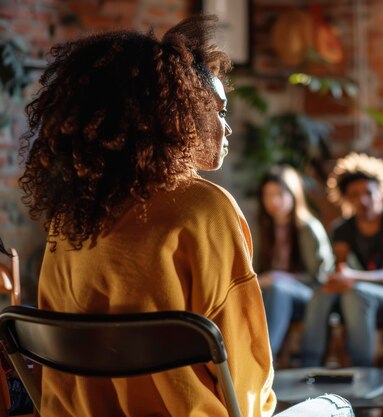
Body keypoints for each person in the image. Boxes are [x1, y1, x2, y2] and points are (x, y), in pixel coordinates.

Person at [18, 16, 353, 417]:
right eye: (219, 111)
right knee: (336, 405)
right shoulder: (204, 210)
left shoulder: (67, 221)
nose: (226, 128)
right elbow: (247, 384)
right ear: (177, 112)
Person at [299, 152, 383, 367]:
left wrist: (352, 277)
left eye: (368, 192)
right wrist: (338, 279)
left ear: (381, 192)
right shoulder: (342, 228)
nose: (363, 200)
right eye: (354, 195)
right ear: (346, 199)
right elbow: (342, 268)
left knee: (357, 293)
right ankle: (309, 368)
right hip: (361, 290)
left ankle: (362, 371)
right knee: (322, 292)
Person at [256, 165, 334, 359]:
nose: (274, 201)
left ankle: (265, 359)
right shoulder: (264, 227)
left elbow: (320, 277)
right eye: (268, 195)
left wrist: (280, 278)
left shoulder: (308, 228)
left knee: (278, 289)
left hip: (309, 295)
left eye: (280, 194)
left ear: (293, 194)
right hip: (272, 292)